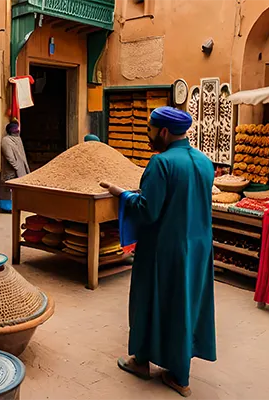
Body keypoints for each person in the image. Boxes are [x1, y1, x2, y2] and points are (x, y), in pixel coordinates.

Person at [100, 106, 216, 397]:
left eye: (150, 130)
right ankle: (180, 376)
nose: (148, 136)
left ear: (163, 132)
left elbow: (148, 211)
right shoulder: (204, 162)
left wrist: (122, 194)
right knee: (184, 304)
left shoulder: (160, 163)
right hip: (198, 248)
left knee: (148, 300)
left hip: (163, 248)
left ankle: (140, 361)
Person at [0, 120, 30, 211]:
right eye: (15, 128)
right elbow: (9, 157)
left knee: (18, 190)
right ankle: (9, 209)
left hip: (21, 169)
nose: (17, 130)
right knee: (9, 191)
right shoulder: (6, 140)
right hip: (11, 171)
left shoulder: (18, 139)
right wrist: (16, 167)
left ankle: (18, 206)